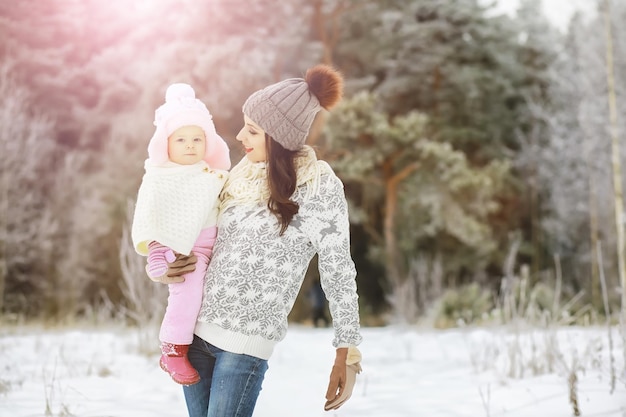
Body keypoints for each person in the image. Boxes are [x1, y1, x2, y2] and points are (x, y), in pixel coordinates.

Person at [160, 64, 363, 417]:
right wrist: (165, 266)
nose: (240, 136)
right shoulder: (239, 174)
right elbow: (201, 240)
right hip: (195, 337)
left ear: (279, 136)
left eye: (252, 130)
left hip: (244, 344)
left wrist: (347, 352)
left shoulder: (319, 185)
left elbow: (339, 271)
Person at [131, 83, 231, 386]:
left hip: (216, 248)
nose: (190, 145)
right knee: (185, 294)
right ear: (166, 144)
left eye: (198, 139)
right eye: (182, 139)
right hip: (184, 250)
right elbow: (153, 215)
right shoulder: (161, 175)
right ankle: (173, 349)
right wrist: (158, 253)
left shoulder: (211, 173)